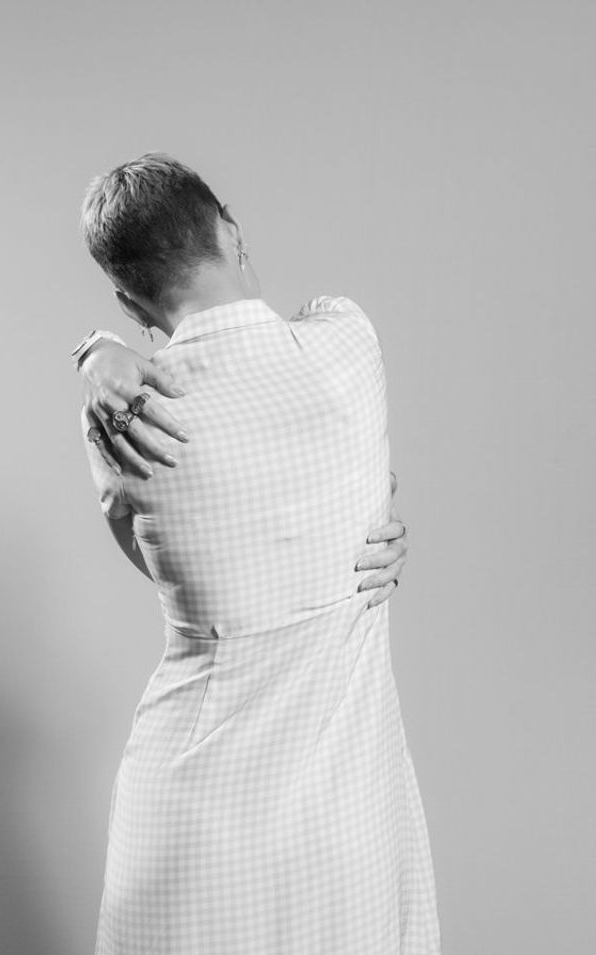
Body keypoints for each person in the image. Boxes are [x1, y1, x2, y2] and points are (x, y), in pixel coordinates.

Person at [75, 153, 441, 954]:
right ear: (230, 231)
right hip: (347, 822)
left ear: (131, 301)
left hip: (193, 817)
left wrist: (96, 349)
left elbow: (152, 560)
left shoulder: (118, 420)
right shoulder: (348, 346)